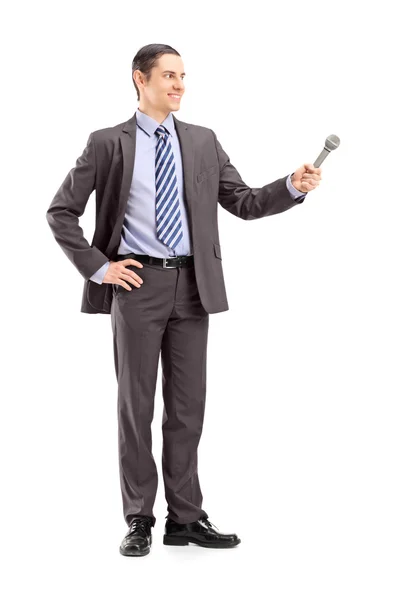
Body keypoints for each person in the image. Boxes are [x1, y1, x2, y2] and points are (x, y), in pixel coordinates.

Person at [46, 43, 322, 557]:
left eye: (183, 76)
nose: (179, 85)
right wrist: (101, 267)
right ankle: (139, 518)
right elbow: (61, 212)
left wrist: (291, 185)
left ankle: (186, 519)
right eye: (169, 76)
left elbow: (242, 202)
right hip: (136, 286)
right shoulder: (108, 143)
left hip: (193, 288)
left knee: (188, 409)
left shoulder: (202, 141)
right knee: (136, 406)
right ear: (140, 80)